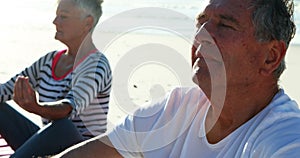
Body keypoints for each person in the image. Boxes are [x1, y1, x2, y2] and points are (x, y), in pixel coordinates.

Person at [55, 0, 300, 157]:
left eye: (225, 26)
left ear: (271, 57)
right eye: (201, 23)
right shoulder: (176, 109)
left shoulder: (285, 138)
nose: (202, 36)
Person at [0, 0, 112, 157]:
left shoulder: (96, 64)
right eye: (56, 16)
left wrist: (35, 107)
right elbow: (5, 90)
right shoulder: (49, 60)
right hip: (49, 146)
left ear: (87, 23)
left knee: (63, 127)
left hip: (81, 151)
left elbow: (68, 109)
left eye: (63, 17)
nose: (55, 22)